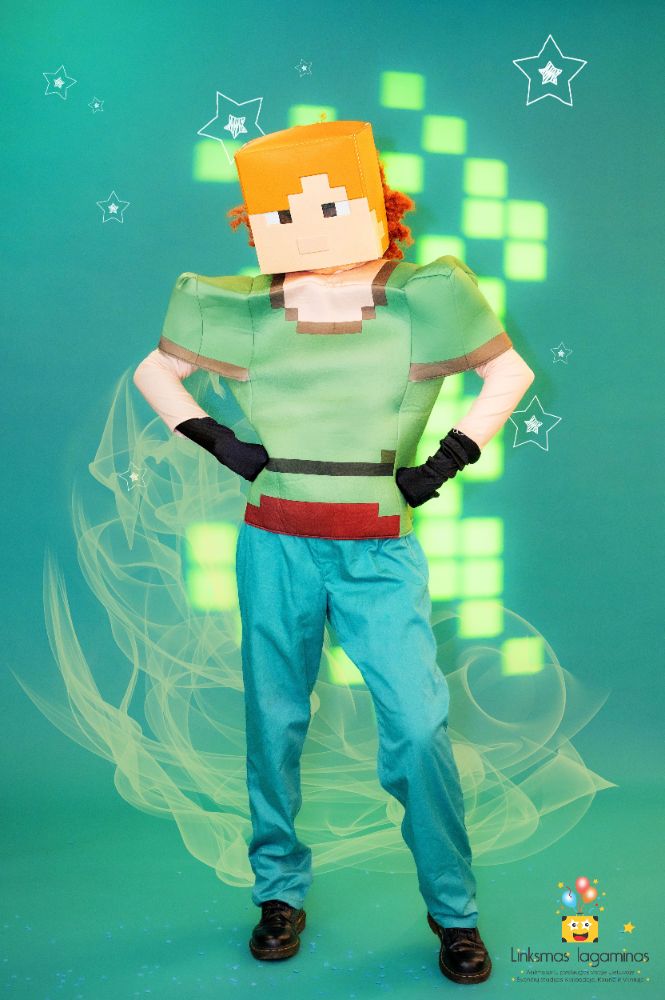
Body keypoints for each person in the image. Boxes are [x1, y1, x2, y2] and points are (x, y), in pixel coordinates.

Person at [133, 119, 534, 985]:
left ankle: (453, 912)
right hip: (274, 542)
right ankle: (277, 893)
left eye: (324, 205)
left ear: (373, 205)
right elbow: (154, 371)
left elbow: (509, 372)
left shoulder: (422, 298)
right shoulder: (247, 308)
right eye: (283, 213)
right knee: (273, 720)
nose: (306, 228)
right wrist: (219, 442)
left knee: (417, 724)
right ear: (258, 222)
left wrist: (443, 463)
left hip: (377, 548)